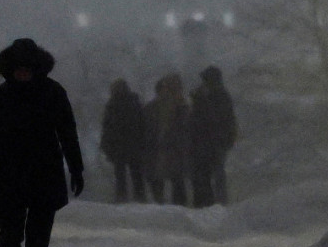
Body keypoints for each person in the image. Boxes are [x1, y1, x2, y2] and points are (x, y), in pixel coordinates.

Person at [0, 38, 83, 247]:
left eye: (26, 68)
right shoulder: (9, 95)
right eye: (18, 68)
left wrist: (76, 167)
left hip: (37, 177)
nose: (22, 72)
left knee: (36, 241)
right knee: (10, 236)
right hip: (17, 176)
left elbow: (67, 133)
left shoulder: (45, 93)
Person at [188, 66, 239, 207]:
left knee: (214, 174)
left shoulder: (219, 96)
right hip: (209, 142)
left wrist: (200, 100)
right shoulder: (218, 96)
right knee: (208, 174)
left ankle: (216, 203)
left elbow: (214, 118)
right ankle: (210, 202)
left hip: (213, 142)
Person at [143, 73, 189, 206]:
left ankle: (178, 206)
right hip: (158, 147)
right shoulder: (152, 108)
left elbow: (186, 128)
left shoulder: (181, 107)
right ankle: (161, 203)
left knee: (176, 178)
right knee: (157, 177)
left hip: (174, 148)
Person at [99, 78, 147, 203]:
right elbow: (142, 125)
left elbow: (107, 127)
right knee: (135, 174)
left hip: (121, 146)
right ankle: (139, 199)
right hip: (131, 146)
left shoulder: (113, 105)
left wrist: (107, 145)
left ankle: (123, 198)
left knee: (123, 175)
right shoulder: (134, 103)